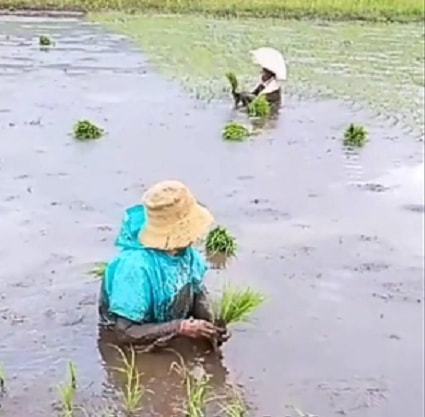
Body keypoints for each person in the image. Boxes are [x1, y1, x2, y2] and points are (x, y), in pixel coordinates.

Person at [98, 180, 227, 349]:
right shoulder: (135, 268)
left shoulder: (188, 253)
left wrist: (211, 326)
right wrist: (180, 327)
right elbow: (124, 332)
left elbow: (197, 292)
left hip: (166, 324)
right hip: (133, 340)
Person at [232, 47, 286, 111]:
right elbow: (254, 94)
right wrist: (238, 94)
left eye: (264, 72)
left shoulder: (273, 90)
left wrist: (246, 95)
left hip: (269, 111)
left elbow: (258, 101)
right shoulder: (263, 85)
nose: (261, 73)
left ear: (270, 74)